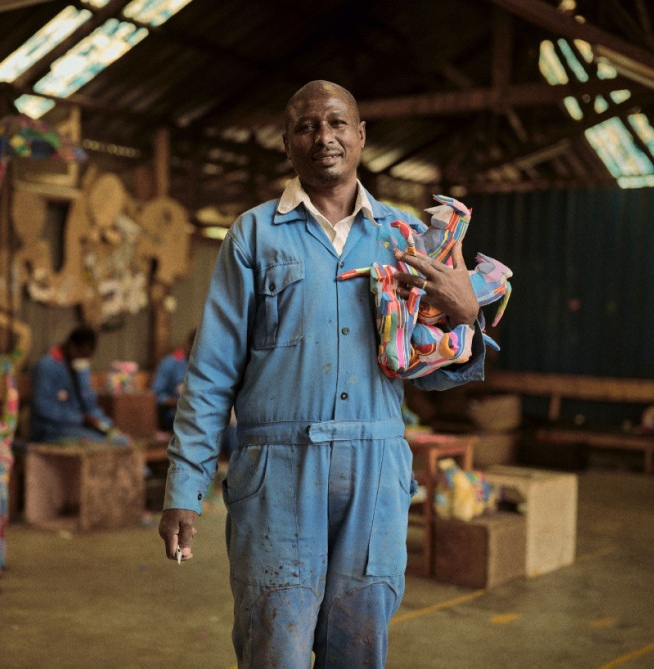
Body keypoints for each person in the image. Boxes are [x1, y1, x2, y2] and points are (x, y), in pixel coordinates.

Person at [158, 80, 485, 668]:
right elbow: (211, 373)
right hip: (277, 471)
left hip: (375, 469)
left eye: (337, 124)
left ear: (361, 136)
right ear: (287, 142)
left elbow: (430, 370)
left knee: (359, 648)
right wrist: (186, 487)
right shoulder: (253, 235)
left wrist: (465, 318)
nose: (324, 137)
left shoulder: (407, 238)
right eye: (307, 126)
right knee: (274, 648)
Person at [29, 326, 124, 443]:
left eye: (88, 356)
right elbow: (42, 408)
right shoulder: (47, 366)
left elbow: (90, 406)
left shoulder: (81, 367)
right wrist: (79, 419)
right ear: (72, 347)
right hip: (51, 430)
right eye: (82, 354)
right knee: (104, 443)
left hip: (79, 427)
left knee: (120, 440)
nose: (84, 359)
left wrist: (105, 425)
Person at [151, 329, 195, 432]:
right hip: (174, 414)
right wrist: (176, 402)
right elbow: (155, 395)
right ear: (189, 345)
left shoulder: (210, 367)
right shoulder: (170, 363)